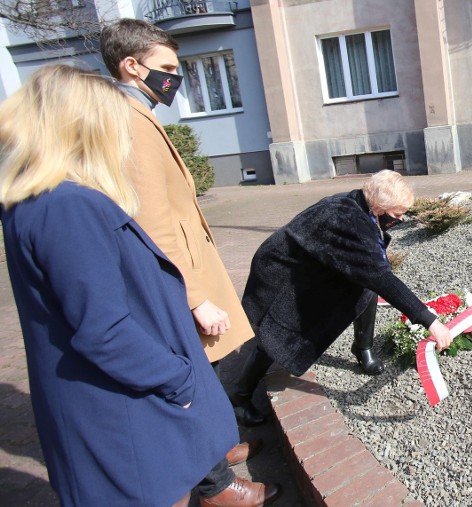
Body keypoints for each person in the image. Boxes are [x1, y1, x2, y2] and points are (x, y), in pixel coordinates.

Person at [0, 64, 238, 507]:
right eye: (117, 124)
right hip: (122, 412)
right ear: (86, 129)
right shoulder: (68, 206)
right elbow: (104, 330)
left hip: (108, 403)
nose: (125, 138)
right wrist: (179, 381)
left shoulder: (37, 201)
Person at [99, 19, 279, 507]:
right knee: (189, 382)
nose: (175, 80)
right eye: (168, 69)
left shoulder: (135, 111)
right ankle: (217, 486)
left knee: (198, 375)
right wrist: (195, 297)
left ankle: (218, 449)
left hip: (181, 273)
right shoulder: (129, 119)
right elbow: (153, 221)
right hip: (175, 283)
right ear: (131, 66)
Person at [230, 170, 452, 415]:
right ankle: (239, 398)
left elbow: (370, 275)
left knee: (363, 287)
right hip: (281, 274)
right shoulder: (347, 219)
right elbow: (381, 277)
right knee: (275, 337)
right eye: (398, 214)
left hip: (307, 267)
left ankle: (362, 348)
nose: (402, 219)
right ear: (378, 207)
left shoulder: (359, 204)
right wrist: (430, 321)